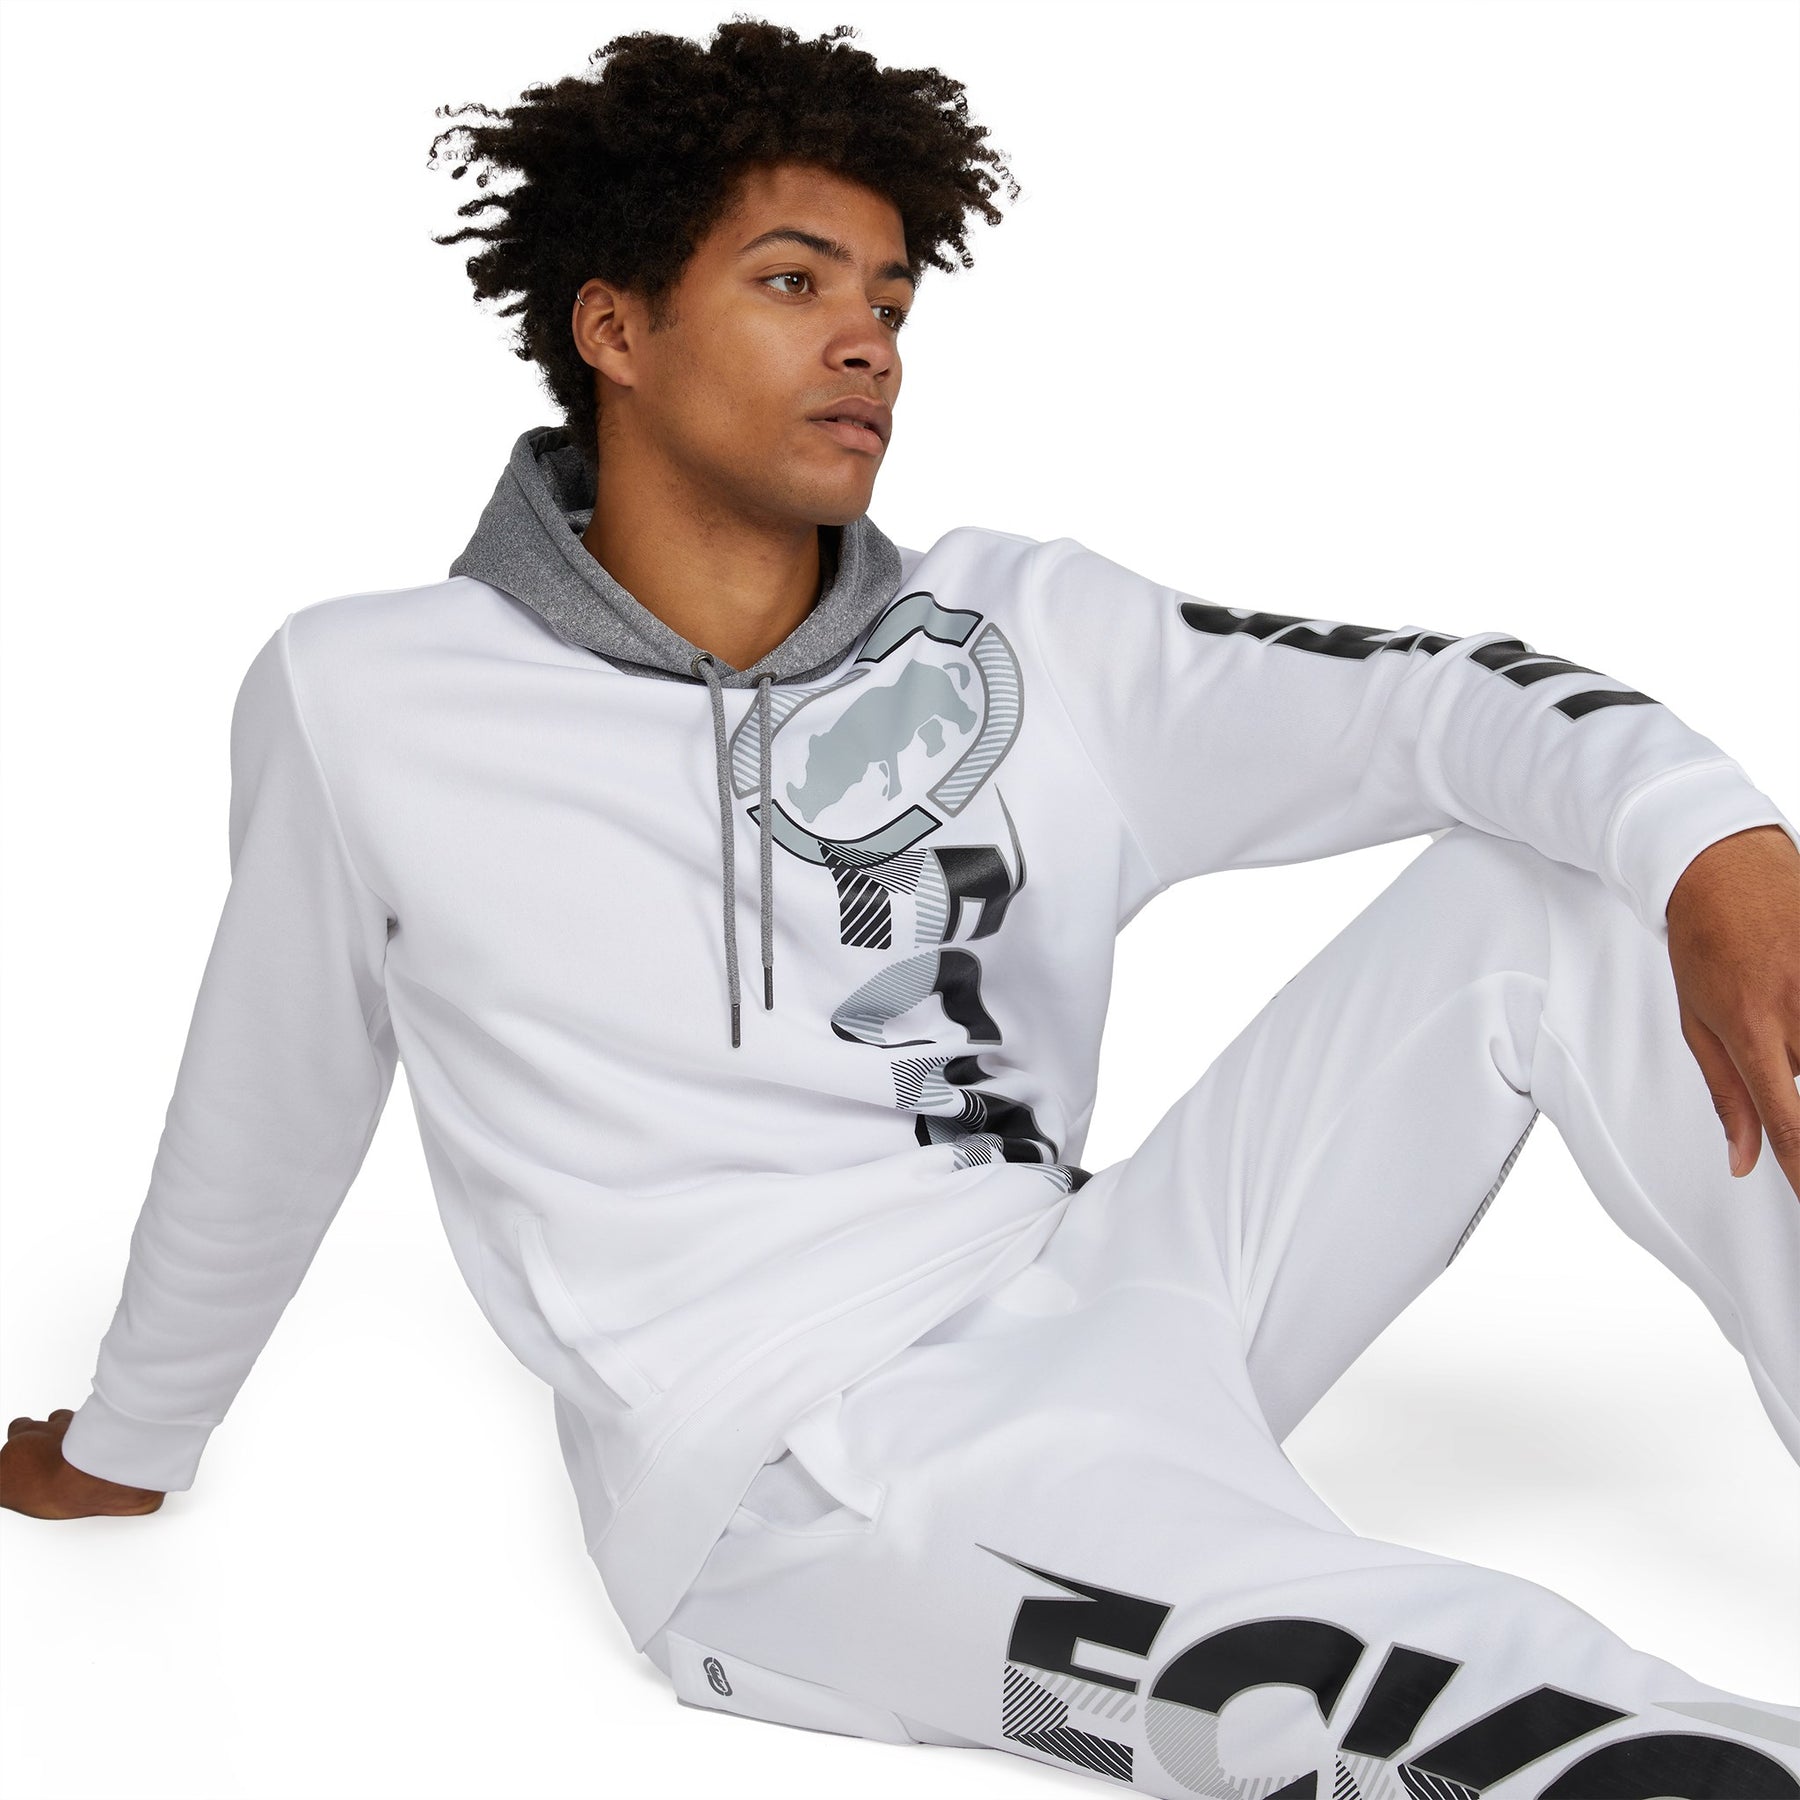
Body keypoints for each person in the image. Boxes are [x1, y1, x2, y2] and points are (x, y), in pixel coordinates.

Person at [5, 19, 1798, 1796]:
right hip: (799, 1489)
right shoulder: (372, 695)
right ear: (613, 330)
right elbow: (271, 1096)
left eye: (888, 298)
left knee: (1585, 884)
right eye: (793, 283)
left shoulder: (1019, 629)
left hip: (1105, 1281)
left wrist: (1719, 845)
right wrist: (133, 1438)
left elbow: (1436, 700)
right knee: (1445, 1723)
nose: (869, 340)